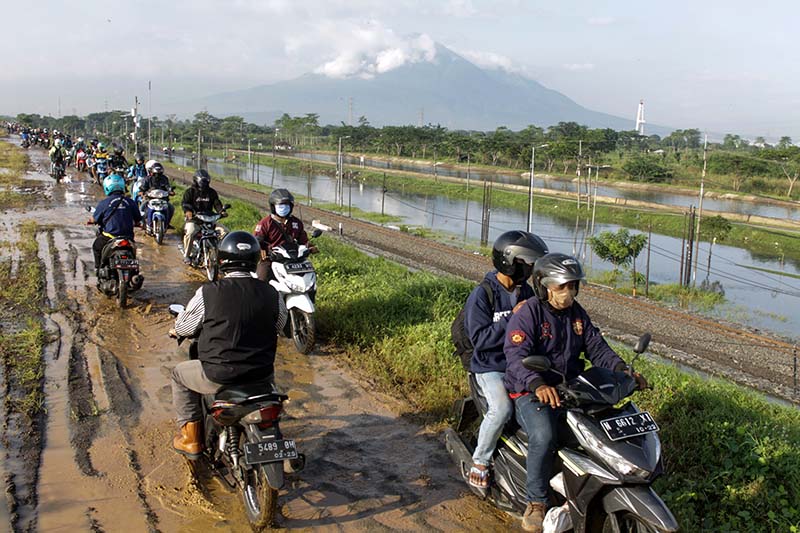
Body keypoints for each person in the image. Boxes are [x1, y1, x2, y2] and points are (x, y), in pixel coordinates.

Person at [503, 253, 649, 532]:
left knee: (600, 430)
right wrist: (537, 384)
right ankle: (536, 501)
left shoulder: (576, 314)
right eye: (562, 287)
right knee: (545, 435)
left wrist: (622, 370)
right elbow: (515, 356)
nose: (568, 293)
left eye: (572, 286)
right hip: (530, 391)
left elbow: (597, 347)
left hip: (571, 389)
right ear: (544, 286)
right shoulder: (529, 313)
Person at [170, 231, 287, 458]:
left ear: (221, 259)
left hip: (218, 375)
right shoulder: (271, 293)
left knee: (178, 374)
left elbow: (185, 327)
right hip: (261, 376)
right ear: (254, 259)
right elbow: (279, 325)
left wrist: (176, 330)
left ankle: (191, 439)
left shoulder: (209, 292)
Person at [464, 231, 549, 489]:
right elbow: (479, 340)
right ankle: (480, 460)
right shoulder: (483, 294)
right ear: (509, 261)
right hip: (491, 367)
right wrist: (511, 319)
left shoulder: (526, 293)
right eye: (527, 263)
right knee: (501, 409)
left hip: (520, 364)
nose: (531, 268)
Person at [87, 173, 142, 281]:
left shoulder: (104, 203)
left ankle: (98, 269)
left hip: (110, 237)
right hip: (128, 238)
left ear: (107, 187)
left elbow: (95, 219)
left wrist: (90, 221)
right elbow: (138, 219)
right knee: (133, 252)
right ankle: (134, 274)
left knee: (96, 246)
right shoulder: (130, 202)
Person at [254, 188, 317, 282]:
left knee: (311, 278)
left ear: (291, 206)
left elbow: (303, 240)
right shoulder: (265, 223)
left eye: (286, 205)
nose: (283, 207)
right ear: (273, 206)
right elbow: (256, 240)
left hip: (293, 259)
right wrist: (261, 250)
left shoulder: (296, 223)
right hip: (272, 259)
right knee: (261, 279)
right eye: (280, 205)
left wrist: (310, 247)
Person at [181, 169, 225, 264]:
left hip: (210, 219)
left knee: (224, 232)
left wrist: (221, 211)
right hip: (195, 220)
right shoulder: (190, 192)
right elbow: (185, 203)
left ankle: (221, 255)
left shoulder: (212, 192)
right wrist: (188, 212)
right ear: (196, 180)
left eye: (206, 181)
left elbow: (217, 204)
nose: (204, 183)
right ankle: (187, 255)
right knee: (190, 232)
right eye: (203, 181)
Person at [139, 162, 175, 227]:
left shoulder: (164, 179)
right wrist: (142, 192)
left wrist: (170, 191)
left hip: (162, 199)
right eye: (155, 174)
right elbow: (143, 187)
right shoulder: (148, 179)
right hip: (150, 199)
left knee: (171, 208)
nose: (157, 175)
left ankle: (167, 223)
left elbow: (167, 186)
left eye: (159, 174)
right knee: (142, 207)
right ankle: (141, 222)